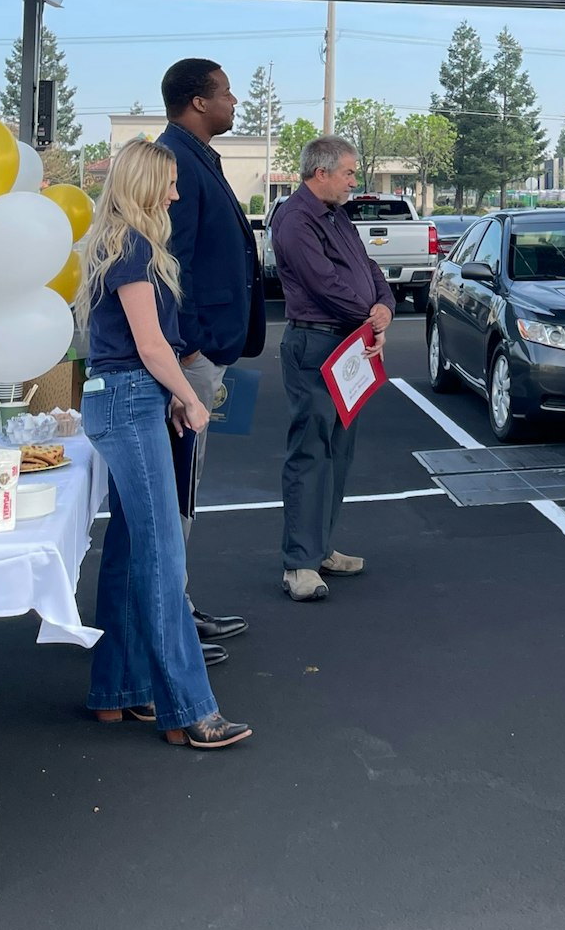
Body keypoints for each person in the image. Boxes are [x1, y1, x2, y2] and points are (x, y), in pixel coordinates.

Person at [77, 140, 251, 749]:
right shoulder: (131, 245)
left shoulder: (118, 242)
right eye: (169, 184)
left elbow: (144, 346)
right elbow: (151, 347)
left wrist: (172, 393)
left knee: (131, 550)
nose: (177, 195)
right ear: (146, 187)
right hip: (130, 400)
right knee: (162, 557)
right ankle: (187, 708)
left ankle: (118, 692)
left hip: (124, 398)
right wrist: (191, 397)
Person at [159, 58, 266, 664]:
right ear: (198, 102)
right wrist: (191, 344)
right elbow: (175, 262)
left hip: (213, 348)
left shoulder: (199, 154)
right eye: (226, 92)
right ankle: (169, 615)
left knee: (189, 482)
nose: (234, 101)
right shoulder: (173, 159)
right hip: (194, 354)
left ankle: (179, 600)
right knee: (179, 483)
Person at [271, 135, 394, 602]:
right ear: (320, 172)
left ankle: (320, 548)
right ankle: (299, 565)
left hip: (348, 344)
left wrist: (383, 307)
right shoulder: (296, 219)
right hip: (315, 344)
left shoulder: (337, 215)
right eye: (348, 172)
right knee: (310, 451)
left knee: (338, 450)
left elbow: (369, 268)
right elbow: (324, 285)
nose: (353, 180)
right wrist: (371, 314)